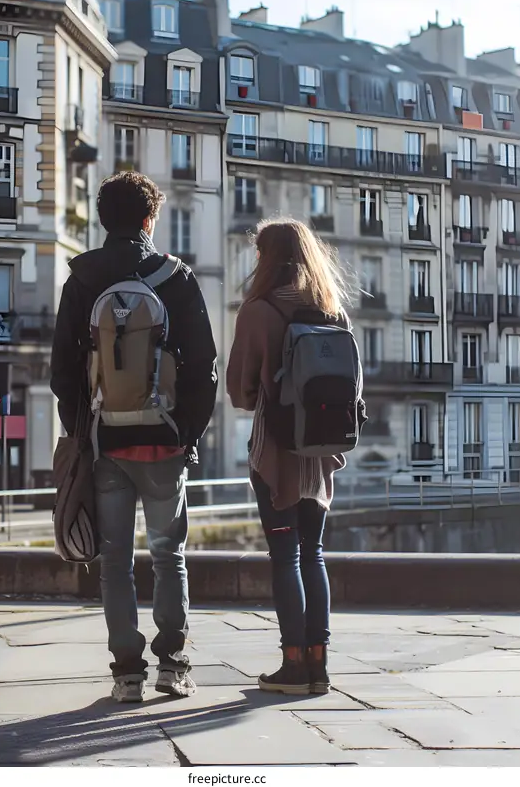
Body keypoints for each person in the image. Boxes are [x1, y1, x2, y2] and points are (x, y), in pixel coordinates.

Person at [51, 171, 217, 702]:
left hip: (106, 444)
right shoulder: (176, 277)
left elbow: (61, 374)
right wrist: (187, 432)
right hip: (165, 441)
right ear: (150, 219)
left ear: (103, 219)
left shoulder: (82, 279)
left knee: (114, 561)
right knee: (169, 554)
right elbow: (204, 365)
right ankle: (173, 664)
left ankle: (126, 674)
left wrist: (84, 431)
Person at [226, 218, 349, 696]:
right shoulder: (331, 308)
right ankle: (318, 666)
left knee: (284, 558)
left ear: (266, 257)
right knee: (313, 553)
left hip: (275, 452)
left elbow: (240, 391)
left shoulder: (257, 311)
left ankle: (292, 664)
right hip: (319, 454)